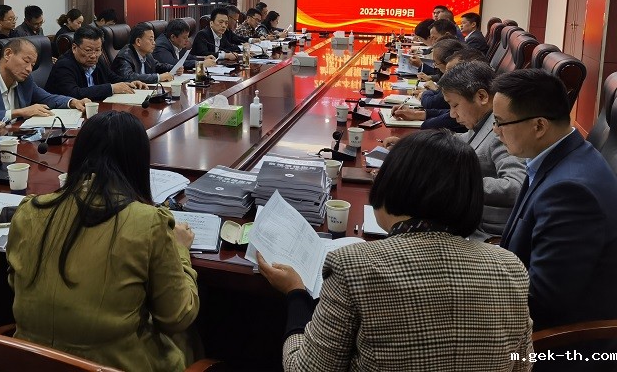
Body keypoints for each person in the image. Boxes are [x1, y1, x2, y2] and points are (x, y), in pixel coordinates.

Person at [257, 129, 532, 371]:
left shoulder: (352, 265)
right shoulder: (511, 267)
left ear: (390, 187)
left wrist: (295, 294)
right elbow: (523, 363)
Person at [6, 111, 199, 372]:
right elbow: (177, 316)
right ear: (138, 164)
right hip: (116, 365)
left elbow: (15, 282)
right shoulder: (149, 223)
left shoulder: (30, 211)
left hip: (30, 362)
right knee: (191, 339)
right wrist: (180, 251)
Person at [493, 69, 617, 331]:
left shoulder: (571, 192)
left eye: (500, 122)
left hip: (558, 340)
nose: (495, 132)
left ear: (539, 126)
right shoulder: (554, 156)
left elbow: (543, 301)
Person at [437, 61, 526, 236]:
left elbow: (516, 185)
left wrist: (457, 183)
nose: (452, 114)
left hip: (485, 231)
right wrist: (419, 146)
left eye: (455, 105)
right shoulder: (483, 121)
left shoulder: (501, 130)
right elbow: (464, 140)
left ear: (482, 97)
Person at [0, 38, 87, 122]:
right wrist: (19, 112)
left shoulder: (24, 79)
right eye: (26, 61)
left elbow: (47, 98)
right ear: (8, 54)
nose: (29, 69)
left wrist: (73, 102)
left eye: (32, 65)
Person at [46, 26, 148, 101]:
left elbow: (113, 78)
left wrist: (130, 83)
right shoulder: (64, 65)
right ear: (74, 48)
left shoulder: (98, 60)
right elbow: (75, 93)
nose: (93, 55)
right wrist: (111, 88)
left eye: (98, 50)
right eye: (88, 50)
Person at [111, 23, 179, 84]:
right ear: (138, 41)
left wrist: (174, 68)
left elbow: (157, 66)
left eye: (153, 39)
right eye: (150, 39)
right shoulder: (124, 57)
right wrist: (158, 77)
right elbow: (129, 77)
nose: (154, 43)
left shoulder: (146, 54)